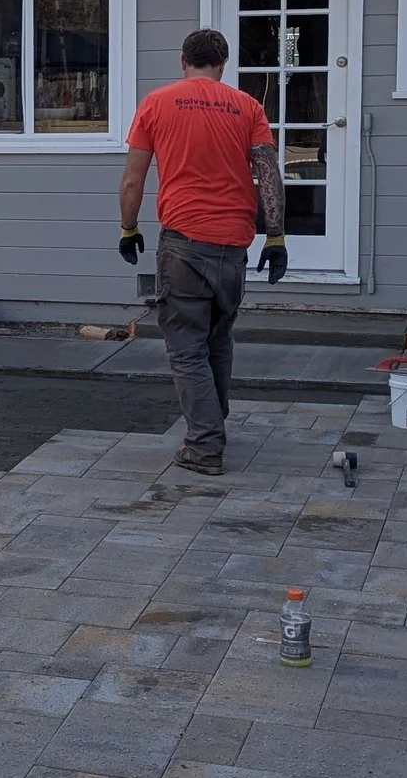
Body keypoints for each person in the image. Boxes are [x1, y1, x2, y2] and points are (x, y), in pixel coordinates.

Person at [117, 28, 286, 475]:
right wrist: (275, 236)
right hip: (233, 245)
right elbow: (269, 173)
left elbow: (133, 179)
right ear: (223, 64)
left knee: (187, 347)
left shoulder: (157, 103)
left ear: (183, 60)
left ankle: (205, 445)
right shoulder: (247, 107)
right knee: (217, 339)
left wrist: (128, 227)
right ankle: (213, 420)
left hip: (184, 245)